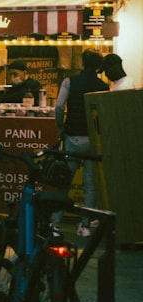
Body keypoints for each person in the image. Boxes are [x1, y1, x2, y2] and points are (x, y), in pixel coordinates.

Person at [54, 48, 108, 236]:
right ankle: (84, 225)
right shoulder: (103, 86)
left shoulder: (70, 81)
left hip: (73, 138)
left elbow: (59, 106)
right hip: (93, 139)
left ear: (82, 63)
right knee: (90, 184)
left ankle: (56, 225)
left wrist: (60, 127)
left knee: (65, 181)